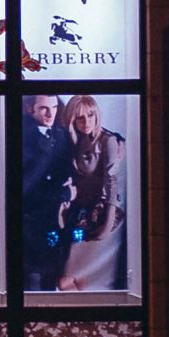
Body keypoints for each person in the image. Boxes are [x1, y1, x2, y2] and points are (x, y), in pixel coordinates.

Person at [62, 94, 127, 293]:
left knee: (78, 279)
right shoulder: (74, 140)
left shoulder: (108, 140)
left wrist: (107, 222)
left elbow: (112, 182)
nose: (86, 122)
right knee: (68, 279)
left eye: (90, 115)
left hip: (102, 214)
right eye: (80, 117)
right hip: (80, 211)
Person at [18, 94, 75, 291]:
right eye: (43, 108)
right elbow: (27, 181)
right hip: (29, 217)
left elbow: (68, 170)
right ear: (30, 109)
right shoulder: (21, 135)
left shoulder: (61, 135)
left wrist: (66, 194)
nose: (50, 113)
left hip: (55, 216)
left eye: (54, 107)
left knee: (51, 275)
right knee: (31, 279)